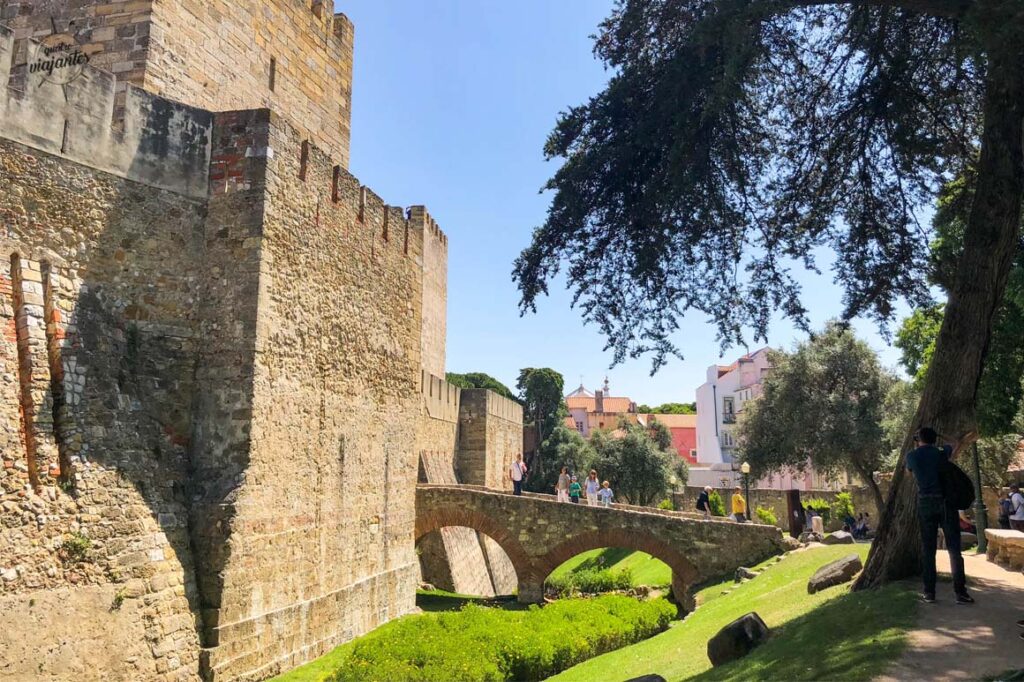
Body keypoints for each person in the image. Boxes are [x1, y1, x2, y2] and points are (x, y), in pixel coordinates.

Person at [905, 426, 972, 604]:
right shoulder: (941, 452)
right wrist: (941, 434)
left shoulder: (912, 456)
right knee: (954, 550)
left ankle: (929, 593)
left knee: (928, 550)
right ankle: (961, 593)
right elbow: (956, 443)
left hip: (925, 503)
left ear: (918, 439)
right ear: (934, 439)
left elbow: (908, 473)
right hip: (946, 504)